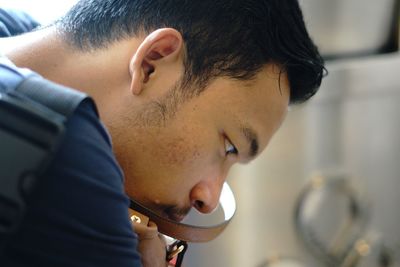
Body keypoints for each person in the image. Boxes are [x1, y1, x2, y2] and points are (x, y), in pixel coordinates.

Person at [0, 0, 325, 266]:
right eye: (229, 147)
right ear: (152, 62)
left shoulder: (15, 32)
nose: (208, 200)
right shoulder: (66, 144)